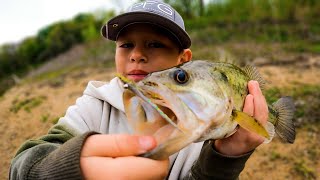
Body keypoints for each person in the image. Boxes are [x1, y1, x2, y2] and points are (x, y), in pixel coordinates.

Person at [9, 1, 268, 179]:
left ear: (184, 59)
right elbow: (22, 166)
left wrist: (225, 157)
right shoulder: (94, 105)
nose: (137, 55)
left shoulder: (207, 120)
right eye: (125, 45)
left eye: (155, 44)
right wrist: (60, 168)